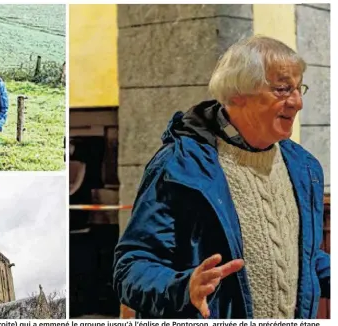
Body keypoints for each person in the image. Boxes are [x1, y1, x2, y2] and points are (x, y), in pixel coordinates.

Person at [113, 36, 330, 319]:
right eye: (283, 89)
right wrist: (183, 288)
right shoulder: (179, 166)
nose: (298, 102)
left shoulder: (304, 168)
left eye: (299, 88)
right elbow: (131, 268)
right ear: (239, 93)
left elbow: (304, 259)